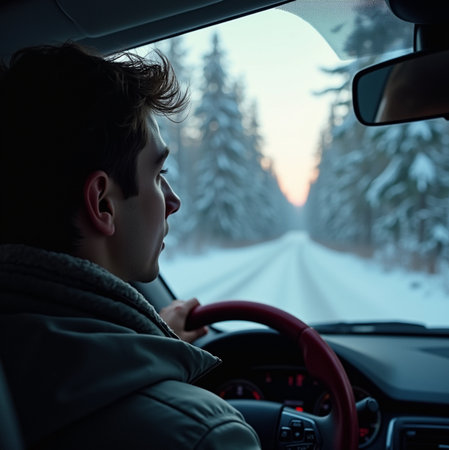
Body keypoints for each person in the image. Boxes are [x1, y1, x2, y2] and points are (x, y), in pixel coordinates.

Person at [0, 43, 260, 449]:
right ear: (103, 203)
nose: (173, 201)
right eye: (158, 174)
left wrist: (153, 336)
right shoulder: (204, 435)